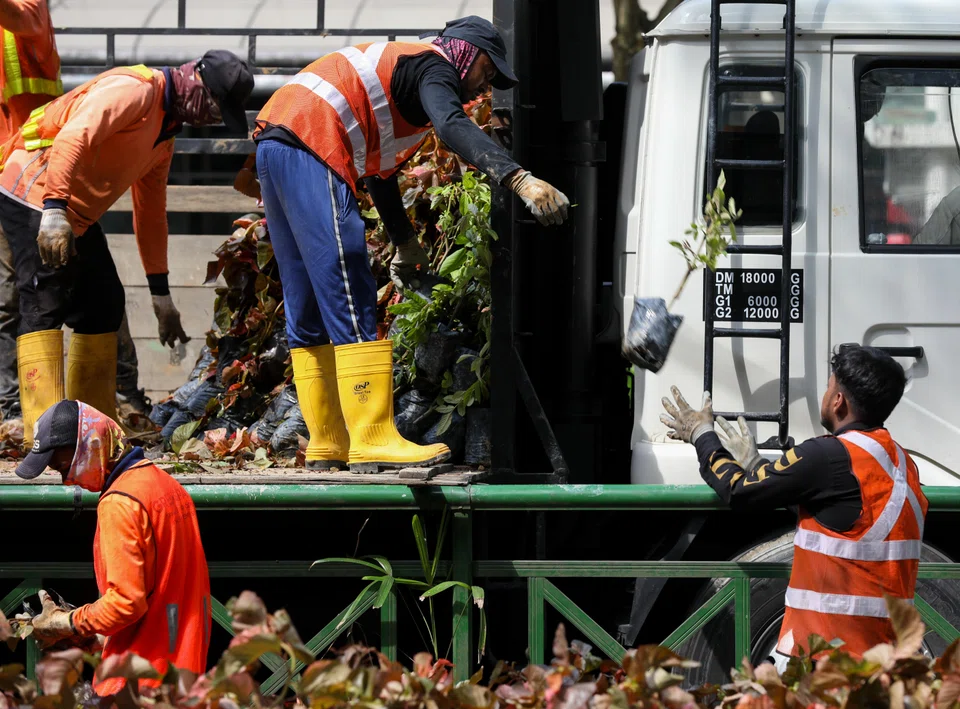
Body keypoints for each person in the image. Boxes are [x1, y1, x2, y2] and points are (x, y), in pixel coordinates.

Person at [253, 16, 570, 471]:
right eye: (488, 72)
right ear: (470, 53)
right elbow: (450, 124)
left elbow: (379, 175)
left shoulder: (402, 82)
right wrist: (517, 177)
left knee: (304, 295)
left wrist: (405, 242)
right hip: (311, 135)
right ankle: (373, 436)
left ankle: (328, 441)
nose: (485, 86)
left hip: (278, 141)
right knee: (349, 274)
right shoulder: (434, 65)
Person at [0, 50, 254, 443]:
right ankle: (46, 434)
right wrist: (53, 212)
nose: (214, 119)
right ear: (197, 86)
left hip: (73, 213)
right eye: (216, 108)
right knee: (44, 298)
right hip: (33, 192)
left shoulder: (163, 136)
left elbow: (150, 212)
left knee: (104, 302)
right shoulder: (135, 91)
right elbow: (74, 136)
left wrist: (161, 296)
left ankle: (91, 427)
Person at [660, 344, 927, 658]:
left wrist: (701, 433)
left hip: (823, 659)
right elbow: (837, 512)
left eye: (829, 388)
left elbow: (740, 492)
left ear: (838, 401)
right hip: (885, 655)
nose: (825, 396)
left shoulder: (827, 456)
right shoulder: (903, 464)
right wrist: (756, 464)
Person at [17, 400, 211, 696]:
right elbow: (164, 594)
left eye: (62, 466)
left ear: (90, 445)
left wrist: (66, 621)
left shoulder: (119, 502)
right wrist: (97, 635)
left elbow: (126, 603)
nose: (66, 480)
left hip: (135, 687)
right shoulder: (168, 487)